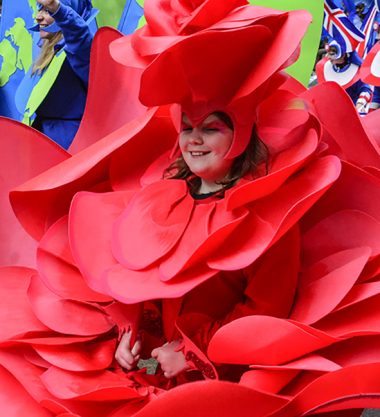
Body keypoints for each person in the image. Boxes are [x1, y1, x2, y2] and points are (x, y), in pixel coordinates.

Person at [15, 0, 97, 149]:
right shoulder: (48, 51)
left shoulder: (78, 51)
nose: (38, 17)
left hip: (70, 149)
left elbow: (79, 35)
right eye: (40, 10)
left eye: (46, 11)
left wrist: (57, 8)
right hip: (43, 144)